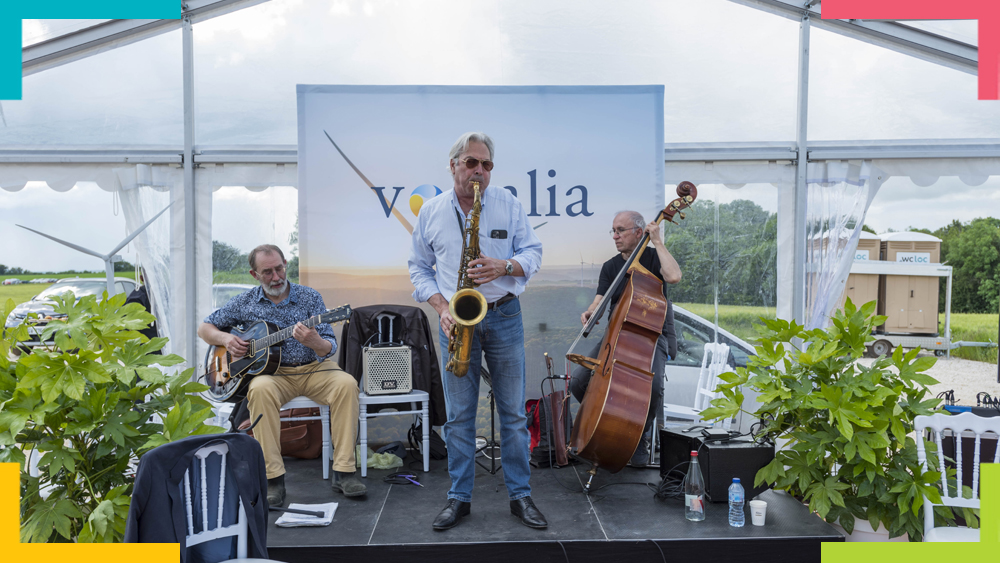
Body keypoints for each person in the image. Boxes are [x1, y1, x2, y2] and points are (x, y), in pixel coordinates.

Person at [408, 132, 545, 531]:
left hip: (503, 314)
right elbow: (418, 267)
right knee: (459, 417)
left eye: (486, 165)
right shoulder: (432, 211)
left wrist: (503, 267)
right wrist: (441, 307)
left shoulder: (508, 204)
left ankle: (521, 496)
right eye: (471, 163)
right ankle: (459, 498)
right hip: (456, 319)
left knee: (514, 416)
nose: (479, 171)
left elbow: (532, 253)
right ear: (453, 166)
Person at [197, 244, 365, 507]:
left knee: (347, 384)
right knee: (259, 390)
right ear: (254, 275)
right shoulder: (245, 302)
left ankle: (344, 471)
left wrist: (314, 341)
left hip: (313, 368)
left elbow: (329, 347)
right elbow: (204, 328)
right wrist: (227, 339)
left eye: (279, 268)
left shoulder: (309, 297)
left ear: (285, 263)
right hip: (273, 375)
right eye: (267, 272)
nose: (276, 277)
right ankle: (273, 478)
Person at [571, 211, 681, 466]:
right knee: (578, 382)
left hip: (651, 334)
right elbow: (599, 300)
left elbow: (674, 277)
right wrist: (590, 311)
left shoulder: (654, 258)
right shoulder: (610, 266)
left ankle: (638, 435)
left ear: (638, 233)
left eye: (620, 230)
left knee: (652, 388)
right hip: (617, 334)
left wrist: (658, 242)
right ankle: (606, 424)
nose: (615, 236)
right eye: (613, 230)